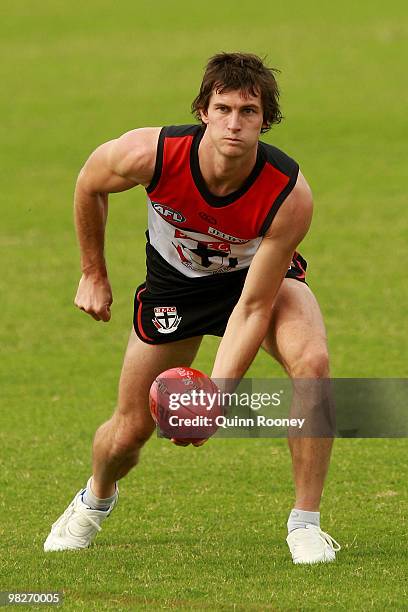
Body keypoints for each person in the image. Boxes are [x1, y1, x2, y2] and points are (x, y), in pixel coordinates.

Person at [44, 52, 340, 564]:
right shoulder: (149, 153)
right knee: (130, 430)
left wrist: (215, 398)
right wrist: (93, 272)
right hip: (176, 288)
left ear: (265, 120)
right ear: (203, 110)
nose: (234, 123)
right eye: (223, 108)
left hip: (253, 283)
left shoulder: (288, 195)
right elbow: (89, 184)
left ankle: (306, 524)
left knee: (311, 365)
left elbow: (252, 307)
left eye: (248, 112)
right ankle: (95, 498)